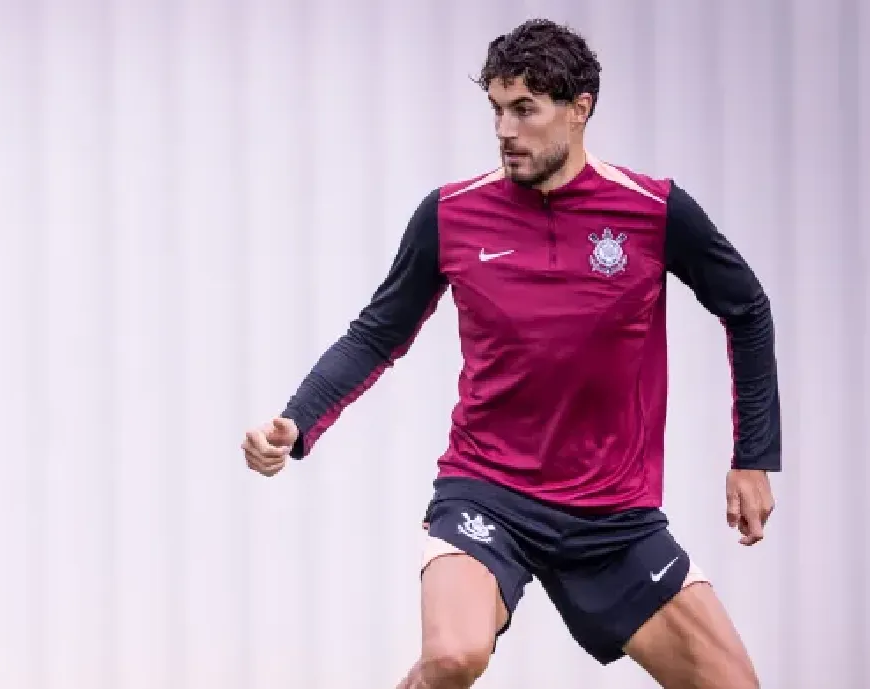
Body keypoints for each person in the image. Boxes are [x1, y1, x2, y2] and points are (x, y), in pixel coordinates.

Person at [240, 17, 780, 689]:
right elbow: (377, 333)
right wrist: (297, 421)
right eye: (496, 108)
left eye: (524, 109)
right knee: (453, 655)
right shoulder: (450, 215)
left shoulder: (653, 211)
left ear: (579, 110)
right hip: (489, 492)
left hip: (614, 515)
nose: (504, 129)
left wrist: (753, 456)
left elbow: (747, 307)